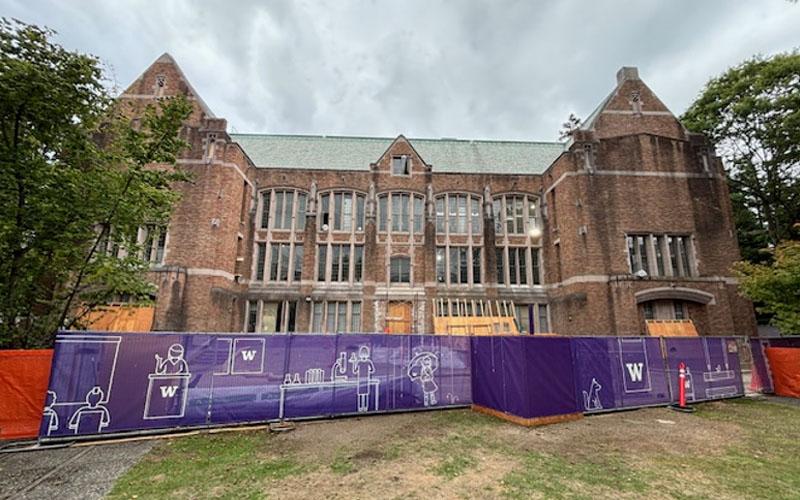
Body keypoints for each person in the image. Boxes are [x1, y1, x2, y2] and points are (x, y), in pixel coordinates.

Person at [353, 346, 374, 412]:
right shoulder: (366, 362)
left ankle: (363, 408)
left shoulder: (362, 362)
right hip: (363, 379)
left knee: (364, 394)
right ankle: (362, 408)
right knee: (362, 394)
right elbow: (371, 369)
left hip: (363, 379)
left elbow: (355, 370)